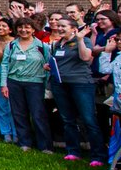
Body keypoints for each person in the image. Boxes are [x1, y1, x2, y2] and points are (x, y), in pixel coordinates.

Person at [48, 18, 107, 165]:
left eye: (63, 26)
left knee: (88, 119)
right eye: (58, 26)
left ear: (73, 28)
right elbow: (58, 61)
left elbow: (86, 57)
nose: (60, 29)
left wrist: (80, 39)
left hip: (80, 84)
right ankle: (73, 151)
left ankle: (97, 155)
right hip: (60, 84)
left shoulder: (84, 40)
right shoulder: (57, 44)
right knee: (68, 120)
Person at [0, 18, 52, 153]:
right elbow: (4, 65)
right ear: (16, 29)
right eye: (20, 27)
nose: (24, 30)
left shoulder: (42, 47)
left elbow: (48, 66)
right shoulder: (11, 46)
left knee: (38, 114)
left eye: (27, 27)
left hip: (35, 83)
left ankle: (45, 145)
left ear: (34, 29)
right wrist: (3, 84)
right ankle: (24, 142)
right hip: (14, 82)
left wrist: (45, 83)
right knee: (19, 113)